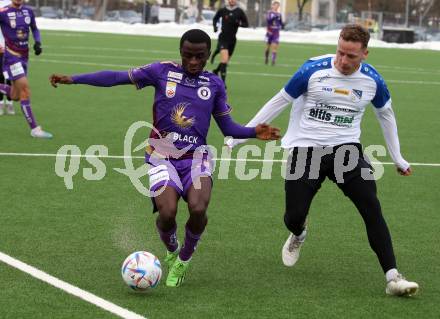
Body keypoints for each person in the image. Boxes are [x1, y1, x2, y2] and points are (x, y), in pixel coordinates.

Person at [49, 29, 280, 288]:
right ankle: (171, 247)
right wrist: (74, 79)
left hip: (197, 158)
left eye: (200, 57)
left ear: (208, 55)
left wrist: (253, 132)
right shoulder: (161, 71)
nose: (193, 62)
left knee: (198, 208)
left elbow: (227, 127)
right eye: (188, 55)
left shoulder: (214, 84)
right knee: (167, 212)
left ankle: (183, 259)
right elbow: (116, 77)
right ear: (180, 52)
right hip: (162, 155)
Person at [227, 24, 419, 296]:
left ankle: (393, 277)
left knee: (371, 208)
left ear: (365, 53)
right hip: (306, 149)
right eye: (340, 52)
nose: (342, 61)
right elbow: (278, 102)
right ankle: (299, 233)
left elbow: (386, 116)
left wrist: (398, 158)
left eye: (351, 56)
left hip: (346, 150)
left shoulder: (373, 81)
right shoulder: (312, 70)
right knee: (293, 216)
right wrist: (241, 135)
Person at [0, 0, 52, 138]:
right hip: (11, 57)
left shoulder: (28, 11)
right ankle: (35, 129)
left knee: (15, 96)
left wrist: (38, 42)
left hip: (24, 57)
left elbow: (34, 28)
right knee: (25, 90)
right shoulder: (3, 12)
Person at [211, 0, 248, 85]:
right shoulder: (223, 10)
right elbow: (215, 18)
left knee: (225, 61)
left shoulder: (239, 11)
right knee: (224, 60)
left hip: (232, 40)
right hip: (223, 38)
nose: (232, 0)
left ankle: (216, 71)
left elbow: (246, 24)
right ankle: (223, 84)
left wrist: (238, 23)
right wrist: (215, 27)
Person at [0, 0, 13, 116]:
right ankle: (0, 103)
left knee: (9, 76)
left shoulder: (11, 3)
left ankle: (9, 103)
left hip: (11, 47)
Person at [264, 1, 283, 66]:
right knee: (267, 47)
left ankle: (273, 60)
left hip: (276, 32)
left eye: (278, 6)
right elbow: (268, 21)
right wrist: (274, 17)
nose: (276, 7)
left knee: (275, 47)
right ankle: (266, 58)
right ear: (272, 6)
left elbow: (280, 22)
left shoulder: (279, 14)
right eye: (275, 5)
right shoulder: (269, 13)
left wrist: (280, 26)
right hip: (270, 31)